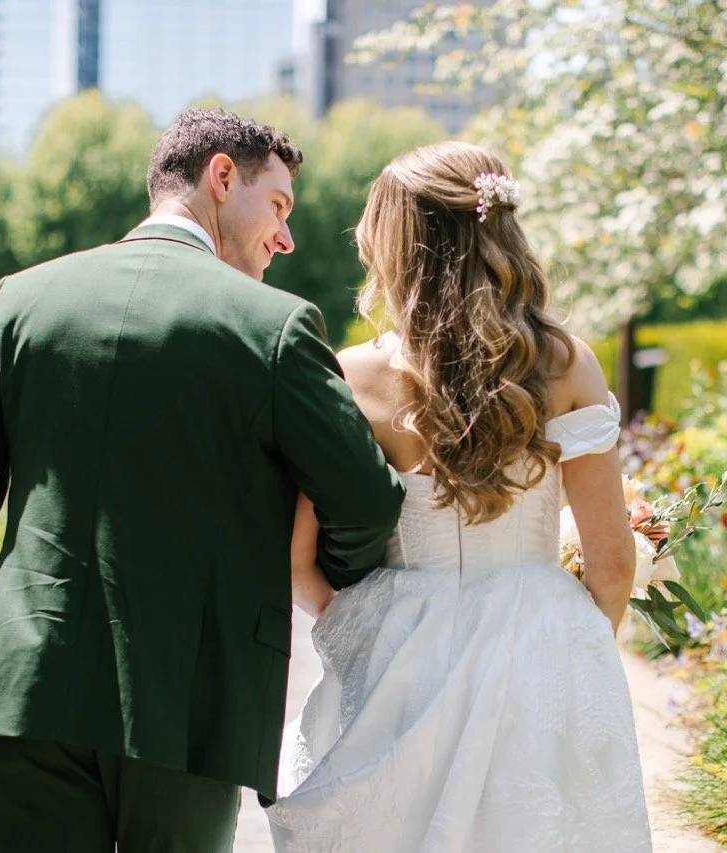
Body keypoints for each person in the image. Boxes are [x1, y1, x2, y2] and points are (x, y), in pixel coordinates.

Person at [0, 109, 405, 853]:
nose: (286, 237)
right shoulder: (275, 327)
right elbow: (365, 499)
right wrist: (319, 580)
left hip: (27, 687)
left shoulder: (19, 299)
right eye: (277, 206)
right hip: (190, 700)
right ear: (220, 175)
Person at [267, 141, 653, 851]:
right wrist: (572, 643)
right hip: (540, 636)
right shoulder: (567, 362)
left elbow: (297, 560)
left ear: (398, 246)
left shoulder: (352, 374)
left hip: (398, 640)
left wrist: (357, 623)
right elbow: (611, 563)